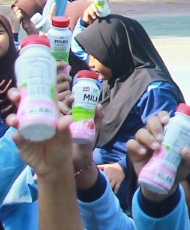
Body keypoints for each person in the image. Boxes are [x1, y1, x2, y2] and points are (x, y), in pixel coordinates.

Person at [78, 13, 183, 167]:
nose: (90, 63)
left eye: (96, 56)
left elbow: (164, 142)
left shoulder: (153, 89)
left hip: (135, 168)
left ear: (115, 50)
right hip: (104, 158)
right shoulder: (113, 79)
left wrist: (122, 167)